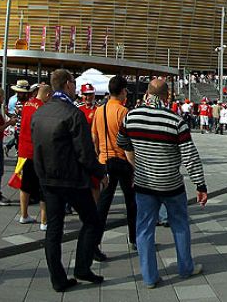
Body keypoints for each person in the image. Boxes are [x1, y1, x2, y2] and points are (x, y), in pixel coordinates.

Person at [117, 79, 207, 288]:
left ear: (147, 93)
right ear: (167, 96)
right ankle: (185, 267)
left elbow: (121, 142)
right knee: (180, 224)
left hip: (144, 182)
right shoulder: (175, 120)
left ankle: (149, 276)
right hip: (170, 183)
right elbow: (190, 156)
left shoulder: (131, 117)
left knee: (144, 229)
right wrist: (200, 185)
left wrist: (137, 160)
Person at [31, 69, 106, 292]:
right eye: (73, 82)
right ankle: (82, 267)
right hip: (71, 179)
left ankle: (58, 278)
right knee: (92, 221)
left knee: (54, 229)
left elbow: (37, 146)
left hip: (48, 178)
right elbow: (85, 153)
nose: (75, 86)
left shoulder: (40, 112)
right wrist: (101, 173)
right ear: (67, 84)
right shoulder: (73, 114)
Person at [93, 75, 137, 253]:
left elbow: (94, 137)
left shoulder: (99, 110)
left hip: (105, 161)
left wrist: (99, 155)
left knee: (103, 205)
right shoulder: (123, 112)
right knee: (131, 202)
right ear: (123, 91)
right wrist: (135, 166)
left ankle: (94, 243)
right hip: (122, 161)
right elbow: (128, 142)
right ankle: (134, 238)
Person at [17, 83, 51, 228]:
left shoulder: (27, 104)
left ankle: (24, 215)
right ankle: (44, 221)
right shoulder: (43, 108)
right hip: (38, 152)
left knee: (25, 185)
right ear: (47, 95)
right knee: (44, 186)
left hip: (24, 151)